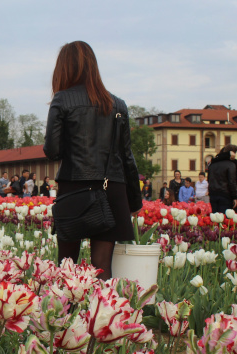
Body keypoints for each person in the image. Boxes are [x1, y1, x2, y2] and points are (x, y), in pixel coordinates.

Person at [43, 41, 142, 280]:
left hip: (75, 186)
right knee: (102, 265)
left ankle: (64, 315)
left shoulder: (62, 100)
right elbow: (126, 155)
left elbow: (52, 151)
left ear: (63, 68)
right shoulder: (117, 104)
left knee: (67, 265)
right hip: (112, 188)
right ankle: (102, 314)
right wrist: (135, 201)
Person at [207, 144, 237, 214]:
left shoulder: (212, 164)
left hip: (213, 194)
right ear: (232, 153)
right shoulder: (231, 164)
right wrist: (234, 197)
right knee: (223, 218)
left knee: (215, 218)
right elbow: (232, 182)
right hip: (225, 194)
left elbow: (209, 179)